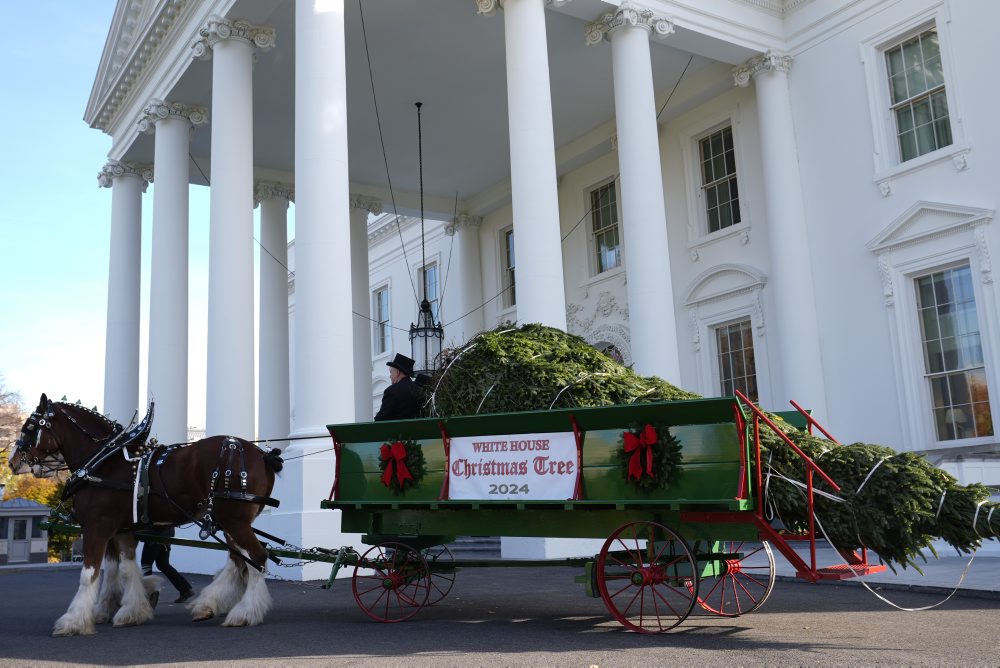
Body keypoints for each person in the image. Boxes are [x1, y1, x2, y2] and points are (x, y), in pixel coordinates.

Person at [141, 525, 194, 606]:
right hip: (167, 533)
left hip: (155, 533)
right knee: (163, 564)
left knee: (146, 564)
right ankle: (185, 590)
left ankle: (150, 595)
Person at [374, 353, 424, 421]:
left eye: (391, 372)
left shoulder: (392, 391)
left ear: (397, 372)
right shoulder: (419, 390)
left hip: (398, 431)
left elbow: (380, 419)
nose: (390, 376)